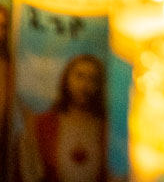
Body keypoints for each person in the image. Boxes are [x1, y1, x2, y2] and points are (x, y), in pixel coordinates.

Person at [20, 54, 106, 182]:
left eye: (92, 79)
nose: (85, 85)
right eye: (80, 76)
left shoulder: (106, 129)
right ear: (66, 79)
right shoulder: (43, 124)